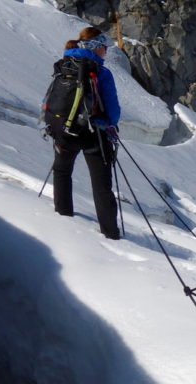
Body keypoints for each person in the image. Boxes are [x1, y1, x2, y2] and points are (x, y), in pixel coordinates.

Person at [48, 27, 121, 239]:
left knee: (62, 171)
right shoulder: (101, 72)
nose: (106, 51)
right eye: (104, 47)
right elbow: (113, 111)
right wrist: (109, 124)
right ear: (96, 47)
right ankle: (110, 233)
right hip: (93, 133)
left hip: (64, 129)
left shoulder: (64, 64)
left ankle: (63, 214)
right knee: (101, 186)